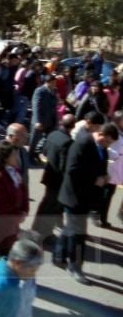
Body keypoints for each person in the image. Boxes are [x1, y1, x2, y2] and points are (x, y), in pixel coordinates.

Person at [55, 122, 118, 284]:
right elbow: (72, 171)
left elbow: (99, 166)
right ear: (101, 135)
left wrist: (104, 176)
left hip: (85, 197)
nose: (108, 145)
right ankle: (75, 266)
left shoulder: (101, 147)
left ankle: (59, 255)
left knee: (70, 228)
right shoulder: (82, 144)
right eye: (108, 141)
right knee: (79, 233)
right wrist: (94, 179)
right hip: (74, 197)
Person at [31, 114, 75, 247]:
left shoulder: (52, 134)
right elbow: (64, 166)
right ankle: (45, 235)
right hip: (58, 182)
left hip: (49, 176)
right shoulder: (68, 142)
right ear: (72, 127)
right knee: (52, 209)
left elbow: (44, 151)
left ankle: (36, 230)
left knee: (44, 206)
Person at [0, 140, 28, 255]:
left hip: (14, 222)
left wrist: (25, 209)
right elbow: (0, 203)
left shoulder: (14, 170)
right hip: (3, 224)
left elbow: (22, 189)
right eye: (13, 155)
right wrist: (17, 215)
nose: (16, 157)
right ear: (5, 158)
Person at [30, 74, 58, 159]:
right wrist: (37, 120)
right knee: (34, 141)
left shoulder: (53, 91)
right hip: (40, 121)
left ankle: (37, 152)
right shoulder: (40, 90)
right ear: (48, 82)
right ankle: (30, 157)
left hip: (50, 121)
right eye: (53, 83)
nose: (54, 84)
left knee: (47, 138)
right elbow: (36, 105)